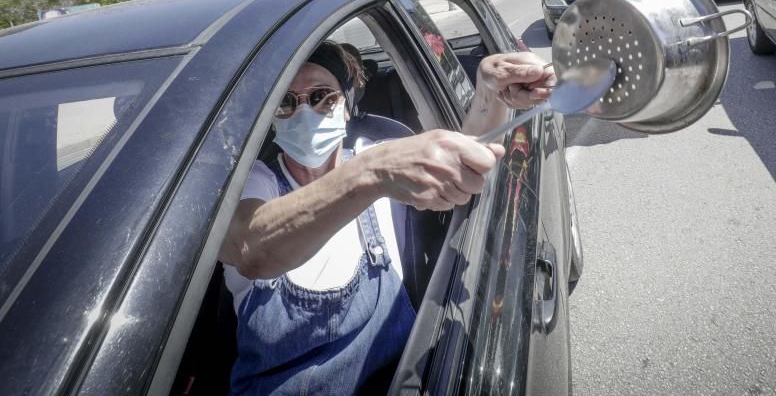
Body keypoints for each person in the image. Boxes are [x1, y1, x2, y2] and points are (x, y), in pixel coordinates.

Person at [219, 41, 554, 395]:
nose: (305, 112)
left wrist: (490, 94)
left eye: (322, 96)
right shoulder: (252, 183)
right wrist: (369, 174)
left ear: (346, 108)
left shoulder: (377, 157)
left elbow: (462, 158)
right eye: (286, 102)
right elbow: (251, 247)